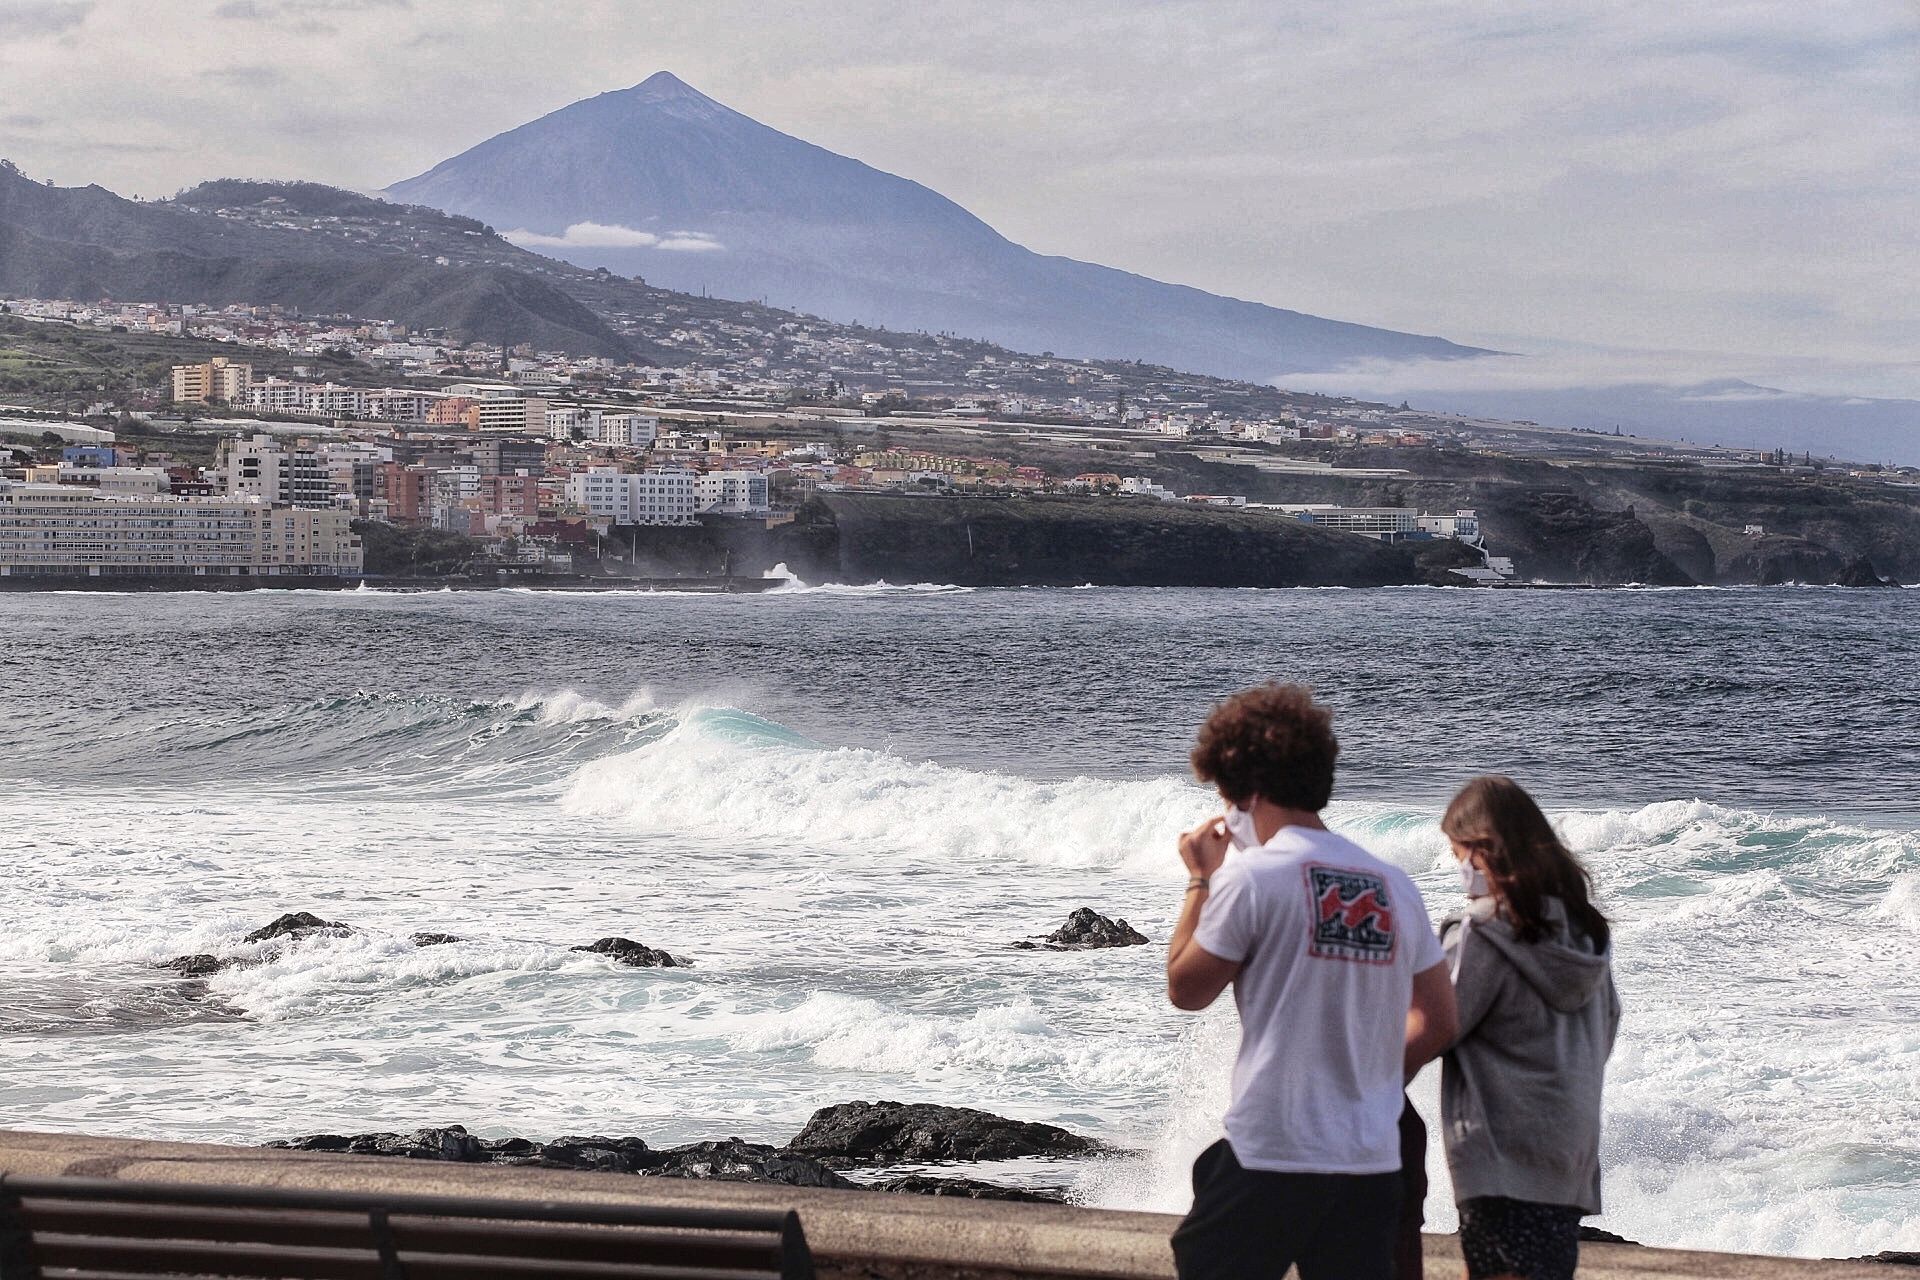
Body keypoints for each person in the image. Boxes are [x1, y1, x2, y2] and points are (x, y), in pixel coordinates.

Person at [1166, 683, 1458, 1280]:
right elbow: (1438, 1018)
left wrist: (1200, 878)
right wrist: (1372, 1076)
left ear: (1245, 792)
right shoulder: (1391, 884)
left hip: (1275, 1150)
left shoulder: (1252, 879)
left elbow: (1186, 989)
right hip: (1370, 1157)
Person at [1439, 775, 1621, 1280]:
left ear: (1483, 851)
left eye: (1458, 854)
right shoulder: (1586, 934)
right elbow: (1605, 1032)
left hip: (1500, 1153)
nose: (1459, 869)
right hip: (1568, 1152)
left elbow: (1438, 1024)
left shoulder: (1481, 933)